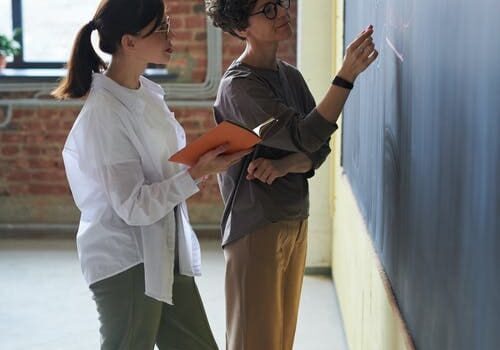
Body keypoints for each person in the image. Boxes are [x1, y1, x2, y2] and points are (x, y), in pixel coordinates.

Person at [52, 0, 250, 349]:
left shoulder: (143, 94)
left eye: (167, 24)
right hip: (126, 259)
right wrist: (195, 174)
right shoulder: (106, 113)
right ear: (129, 42)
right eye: (160, 29)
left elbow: (157, 170)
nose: (170, 35)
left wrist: (199, 164)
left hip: (162, 246)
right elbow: (132, 206)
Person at [206, 0, 378, 349]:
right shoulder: (239, 86)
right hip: (256, 226)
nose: (283, 13)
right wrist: (345, 77)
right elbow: (305, 136)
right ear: (241, 28)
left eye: (280, 4)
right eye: (267, 10)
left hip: (294, 219)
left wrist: (285, 165)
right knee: (254, 342)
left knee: (280, 342)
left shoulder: (291, 76)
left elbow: (319, 149)